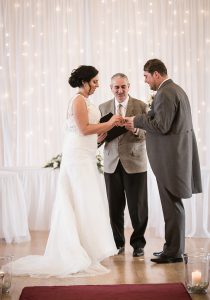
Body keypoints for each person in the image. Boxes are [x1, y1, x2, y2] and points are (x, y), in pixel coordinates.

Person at [10, 65, 122, 277]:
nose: (98, 85)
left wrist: (104, 133)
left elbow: (89, 133)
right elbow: (84, 129)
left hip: (85, 155)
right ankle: (73, 252)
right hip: (77, 158)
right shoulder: (78, 100)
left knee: (84, 202)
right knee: (78, 200)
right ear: (84, 82)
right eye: (95, 81)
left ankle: (86, 250)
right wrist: (110, 123)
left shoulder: (86, 101)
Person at [125, 59, 202, 263]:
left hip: (170, 159)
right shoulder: (176, 90)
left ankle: (174, 252)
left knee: (172, 205)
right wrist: (146, 116)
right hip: (175, 156)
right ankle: (172, 248)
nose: (145, 80)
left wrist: (137, 120)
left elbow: (162, 125)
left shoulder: (166, 92)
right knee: (172, 204)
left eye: (146, 76)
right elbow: (163, 119)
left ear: (156, 74)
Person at [99, 73, 148, 257]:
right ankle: (117, 243)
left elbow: (150, 133)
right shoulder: (103, 107)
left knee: (138, 207)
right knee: (115, 207)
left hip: (135, 162)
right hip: (111, 163)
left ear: (129, 87)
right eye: (116, 87)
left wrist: (135, 128)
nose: (120, 90)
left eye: (123, 87)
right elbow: (96, 138)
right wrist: (99, 137)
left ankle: (138, 244)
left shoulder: (141, 106)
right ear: (111, 88)